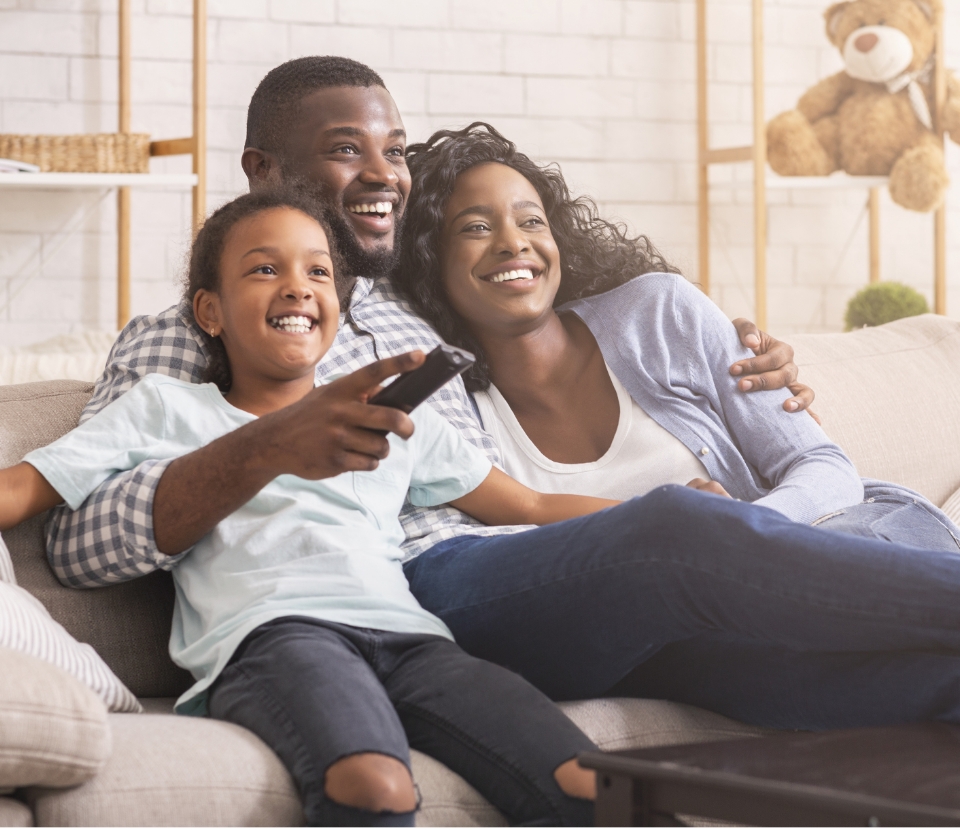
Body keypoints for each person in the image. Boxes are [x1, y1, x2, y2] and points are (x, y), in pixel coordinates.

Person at [4, 187, 607, 827]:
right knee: (374, 785)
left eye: (318, 271)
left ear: (339, 308)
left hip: (416, 643)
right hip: (273, 642)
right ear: (210, 310)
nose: (297, 286)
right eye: (266, 268)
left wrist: (666, 500)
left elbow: (532, 503)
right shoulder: (168, 407)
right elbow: (26, 486)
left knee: (591, 783)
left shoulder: (389, 416)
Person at [390, 121, 960, 729]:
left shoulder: (658, 313)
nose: (513, 243)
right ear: (430, 258)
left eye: (532, 221)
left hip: (851, 531)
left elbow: (824, 466)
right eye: (476, 228)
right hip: (704, 631)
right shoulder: (459, 417)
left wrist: (740, 532)